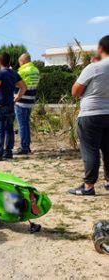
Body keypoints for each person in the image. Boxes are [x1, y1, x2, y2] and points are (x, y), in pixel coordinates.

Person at [68, 35, 109, 196]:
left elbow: (75, 91)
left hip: (91, 113)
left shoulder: (94, 67)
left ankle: (88, 186)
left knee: (90, 150)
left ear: (100, 49)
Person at [0, 52, 27, 161]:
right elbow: (23, 87)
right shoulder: (14, 73)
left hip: (0, 106)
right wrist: (16, 99)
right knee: (9, 130)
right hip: (10, 105)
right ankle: (8, 152)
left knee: (0, 131)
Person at [14, 53, 41, 155]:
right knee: (26, 124)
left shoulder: (22, 71)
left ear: (23, 61)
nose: (19, 65)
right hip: (31, 100)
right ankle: (27, 145)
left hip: (21, 100)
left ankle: (24, 147)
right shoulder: (36, 70)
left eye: (20, 62)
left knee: (21, 125)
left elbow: (18, 84)